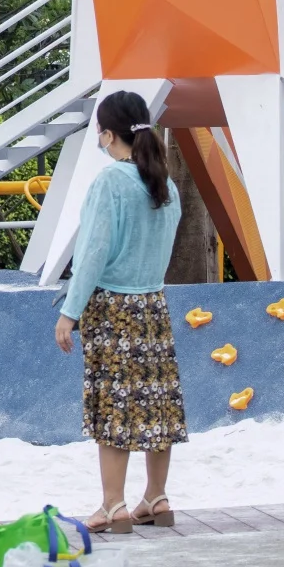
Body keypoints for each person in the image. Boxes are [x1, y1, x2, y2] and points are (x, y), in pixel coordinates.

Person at [53, 91, 187, 531]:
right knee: (155, 404)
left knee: (114, 406)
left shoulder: (111, 182)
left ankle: (113, 504)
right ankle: (158, 496)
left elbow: (92, 252)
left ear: (108, 134)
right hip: (153, 304)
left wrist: (70, 311)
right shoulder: (164, 184)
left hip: (112, 308)